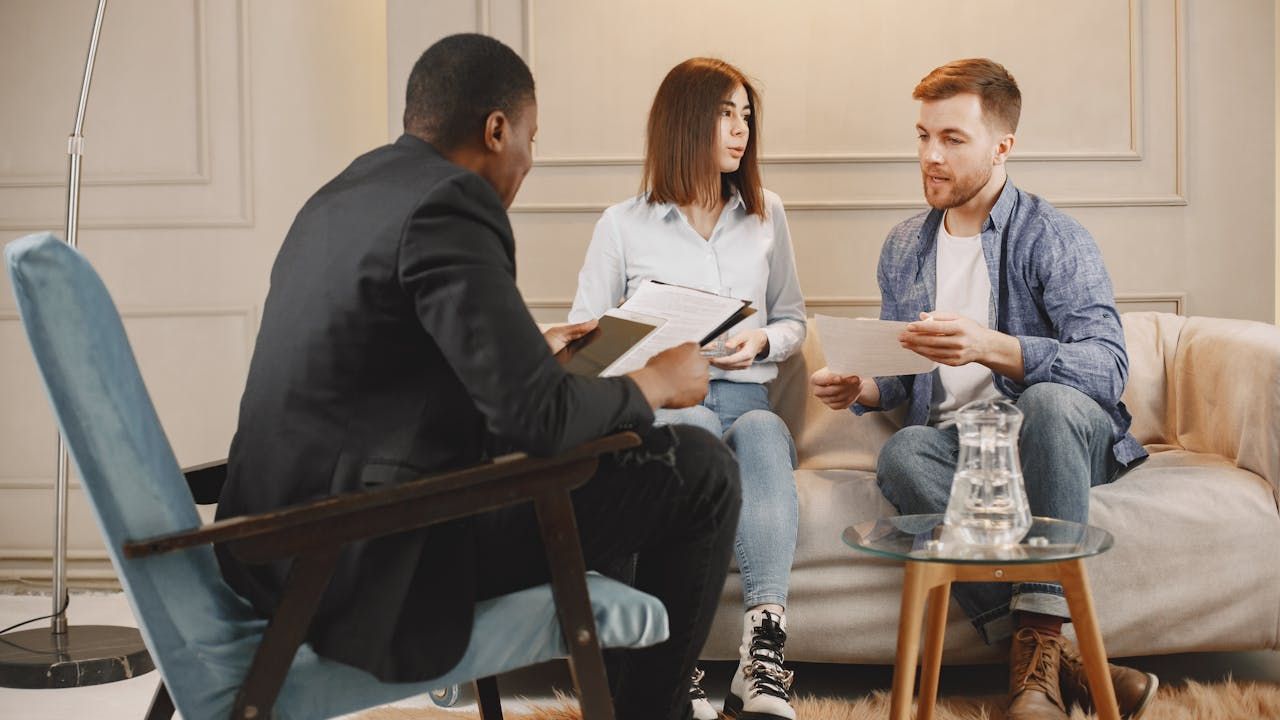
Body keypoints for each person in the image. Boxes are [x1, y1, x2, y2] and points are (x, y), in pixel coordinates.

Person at [215, 34, 742, 720]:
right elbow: (538, 423)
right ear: (496, 129)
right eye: (529, 136)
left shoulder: (341, 194)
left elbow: (386, 375)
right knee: (699, 466)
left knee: (613, 438)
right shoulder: (452, 201)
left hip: (272, 546)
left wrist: (534, 355)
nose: (530, 158)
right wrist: (653, 383)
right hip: (365, 558)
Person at [809, 58, 1158, 720]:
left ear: (1003, 146)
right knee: (904, 453)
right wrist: (868, 386)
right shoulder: (904, 245)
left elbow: (1108, 367)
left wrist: (992, 347)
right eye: (922, 136)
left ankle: (1037, 669)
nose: (930, 156)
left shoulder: (1054, 238)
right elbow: (909, 367)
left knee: (1049, 404)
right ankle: (1049, 657)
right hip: (966, 453)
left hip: (1055, 441)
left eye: (952, 139)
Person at [570, 57, 806, 720]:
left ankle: (763, 657)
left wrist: (762, 342)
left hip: (746, 393)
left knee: (761, 432)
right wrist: (650, 350)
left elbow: (792, 318)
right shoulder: (621, 224)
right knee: (693, 438)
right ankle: (679, 665)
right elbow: (590, 350)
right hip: (671, 404)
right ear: (685, 123)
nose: (741, 130)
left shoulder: (766, 215)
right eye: (725, 114)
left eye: (747, 116)